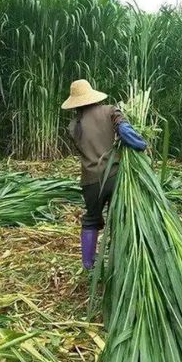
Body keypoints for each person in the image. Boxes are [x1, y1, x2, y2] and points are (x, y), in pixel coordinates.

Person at [61, 79, 147, 269]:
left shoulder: (73, 126)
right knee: (118, 218)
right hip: (114, 176)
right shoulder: (109, 111)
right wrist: (141, 145)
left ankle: (88, 264)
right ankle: (119, 261)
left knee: (91, 219)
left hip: (90, 182)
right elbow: (125, 131)